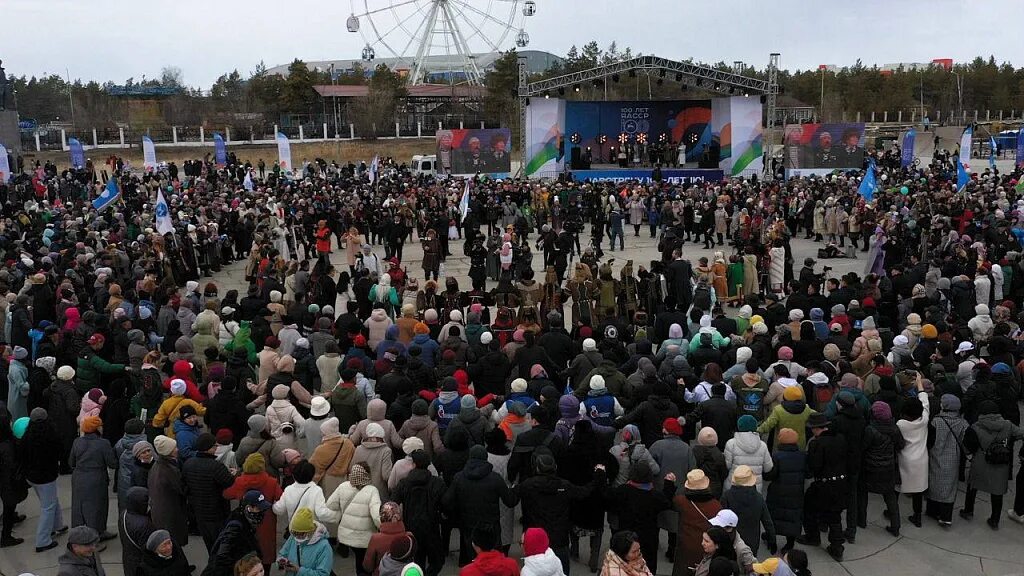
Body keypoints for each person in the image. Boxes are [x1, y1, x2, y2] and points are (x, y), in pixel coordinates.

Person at [960, 400, 1024, 529]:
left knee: (972, 487)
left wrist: (970, 455)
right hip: (1000, 463)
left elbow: (967, 447)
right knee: (997, 492)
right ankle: (994, 520)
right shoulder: (1007, 425)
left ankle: (968, 511)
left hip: (980, 461)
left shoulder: (975, 426)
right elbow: (1021, 434)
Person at [797, 413, 846, 562]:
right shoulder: (840, 439)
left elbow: (814, 466)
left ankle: (813, 536)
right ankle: (837, 546)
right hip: (841, 482)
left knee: (809, 509)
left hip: (823, 483)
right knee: (835, 514)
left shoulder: (816, 443)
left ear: (815, 428)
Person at [18, 407, 67, 552]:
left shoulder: (26, 437)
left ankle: (57, 525)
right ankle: (43, 540)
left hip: (32, 478)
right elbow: (60, 452)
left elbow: (22, 457)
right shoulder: (51, 436)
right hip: (46, 477)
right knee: (48, 506)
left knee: (50, 501)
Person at [323, 462, 383, 576]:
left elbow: (330, 505)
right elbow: (376, 516)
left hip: (346, 535)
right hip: (365, 537)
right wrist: (383, 528)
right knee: (365, 563)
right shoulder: (372, 490)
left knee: (358, 560)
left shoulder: (343, 486)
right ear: (367, 475)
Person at [182, 432, 237, 551]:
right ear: (208, 448)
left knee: (209, 544)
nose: (217, 448)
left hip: (198, 511)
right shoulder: (216, 466)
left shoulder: (188, 464)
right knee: (221, 545)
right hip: (217, 512)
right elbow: (229, 483)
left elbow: (185, 485)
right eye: (214, 446)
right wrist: (233, 474)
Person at [69, 416, 117, 541]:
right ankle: (96, 535)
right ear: (97, 428)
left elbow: (71, 462)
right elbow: (112, 463)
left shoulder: (77, 442)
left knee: (79, 508)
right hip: (97, 478)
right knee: (97, 508)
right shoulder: (103, 443)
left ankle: (80, 536)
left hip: (79, 477)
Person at [204, 490, 272, 576]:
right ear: (248, 508)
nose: (262, 513)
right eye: (258, 509)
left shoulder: (245, 520)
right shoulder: (235, 527)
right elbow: (221, 557)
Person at [277, 507, 334, 576]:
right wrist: (281, 562)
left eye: (301, 533)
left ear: (310, 531)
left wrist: (299, 570)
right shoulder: (293, 537)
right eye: (295, 533)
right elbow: (282, 554)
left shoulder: (324, 546)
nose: (297, 536)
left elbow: (323, 574)